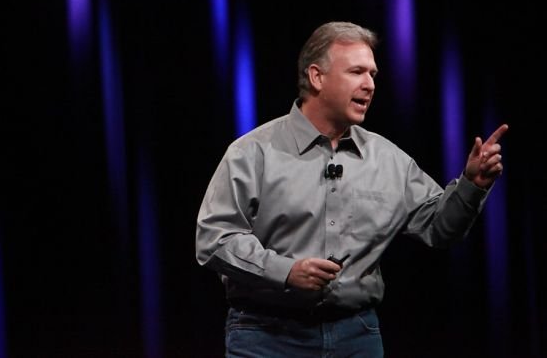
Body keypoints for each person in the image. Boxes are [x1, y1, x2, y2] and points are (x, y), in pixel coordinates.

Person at [195, 21, 508, 357]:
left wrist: (472, 185)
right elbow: (215, 239)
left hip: (356, 336)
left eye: (372, 74)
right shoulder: (253, 152)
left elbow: (439, 228)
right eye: (357, 72)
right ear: (317, 77)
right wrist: (286, 271)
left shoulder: (388, 159)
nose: (369, 84)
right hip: (266, 335)